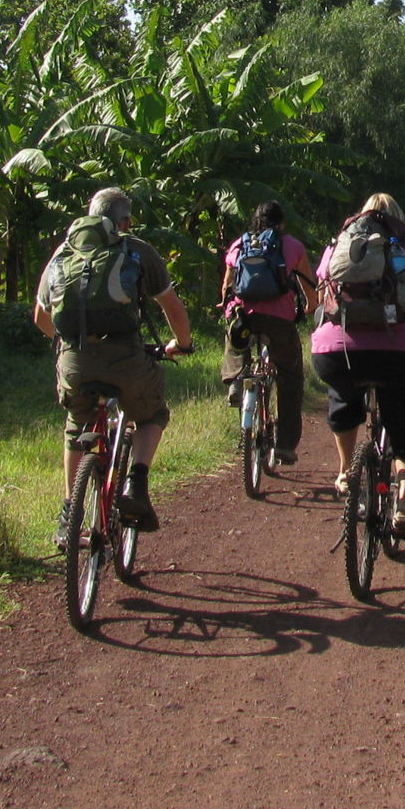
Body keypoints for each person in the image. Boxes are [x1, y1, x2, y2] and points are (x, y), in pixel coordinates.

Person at [33, 188, 193, 545]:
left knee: (77, 424)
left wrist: (66, 345)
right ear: (126, 221)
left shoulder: (64, 251)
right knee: (152, 414)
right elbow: (172, 307)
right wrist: (181, 344)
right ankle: (136, 481)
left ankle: (68, 513)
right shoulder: (136, 249)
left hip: (75, 360)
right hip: (126, 359)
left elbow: (42, 317)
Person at [311, 193, 405, 548]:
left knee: (343, 397)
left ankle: (346, 472)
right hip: (402, 354)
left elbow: (322, 296)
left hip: (337, 352)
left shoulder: (337, 247)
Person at [219, 200, 318, 468]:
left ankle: (236, 380)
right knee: (290, 376)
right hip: (279, 320)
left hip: (243, 317)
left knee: (235, 342)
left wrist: (229, 309)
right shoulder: (293, 246)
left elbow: (227, 286)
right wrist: (310, 307)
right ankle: (285, 445)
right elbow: (309, 288)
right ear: (281, 223)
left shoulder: (239, 244)